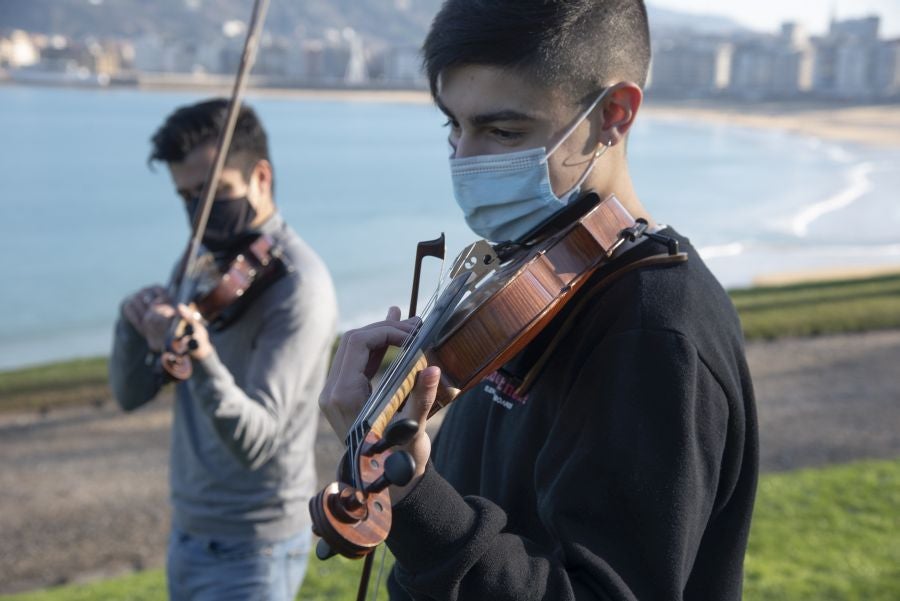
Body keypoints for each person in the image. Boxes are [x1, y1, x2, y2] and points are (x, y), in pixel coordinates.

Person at [318, 1, 758, 599]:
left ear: (614, 115)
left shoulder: (656, 333)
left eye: (503, 131)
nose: (464, 160)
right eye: (453, 125)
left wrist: (413, 492)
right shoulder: (525, 277)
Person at [110, 99, 337, 601]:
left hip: (256, 548)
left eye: (213, 195)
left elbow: (257, 440)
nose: (198, 215)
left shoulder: (300, 286)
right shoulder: (200, 262)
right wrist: (133, 325)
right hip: (188, 530)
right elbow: (129, 395)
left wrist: (201, 355)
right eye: (186, 197)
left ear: (261, 177)